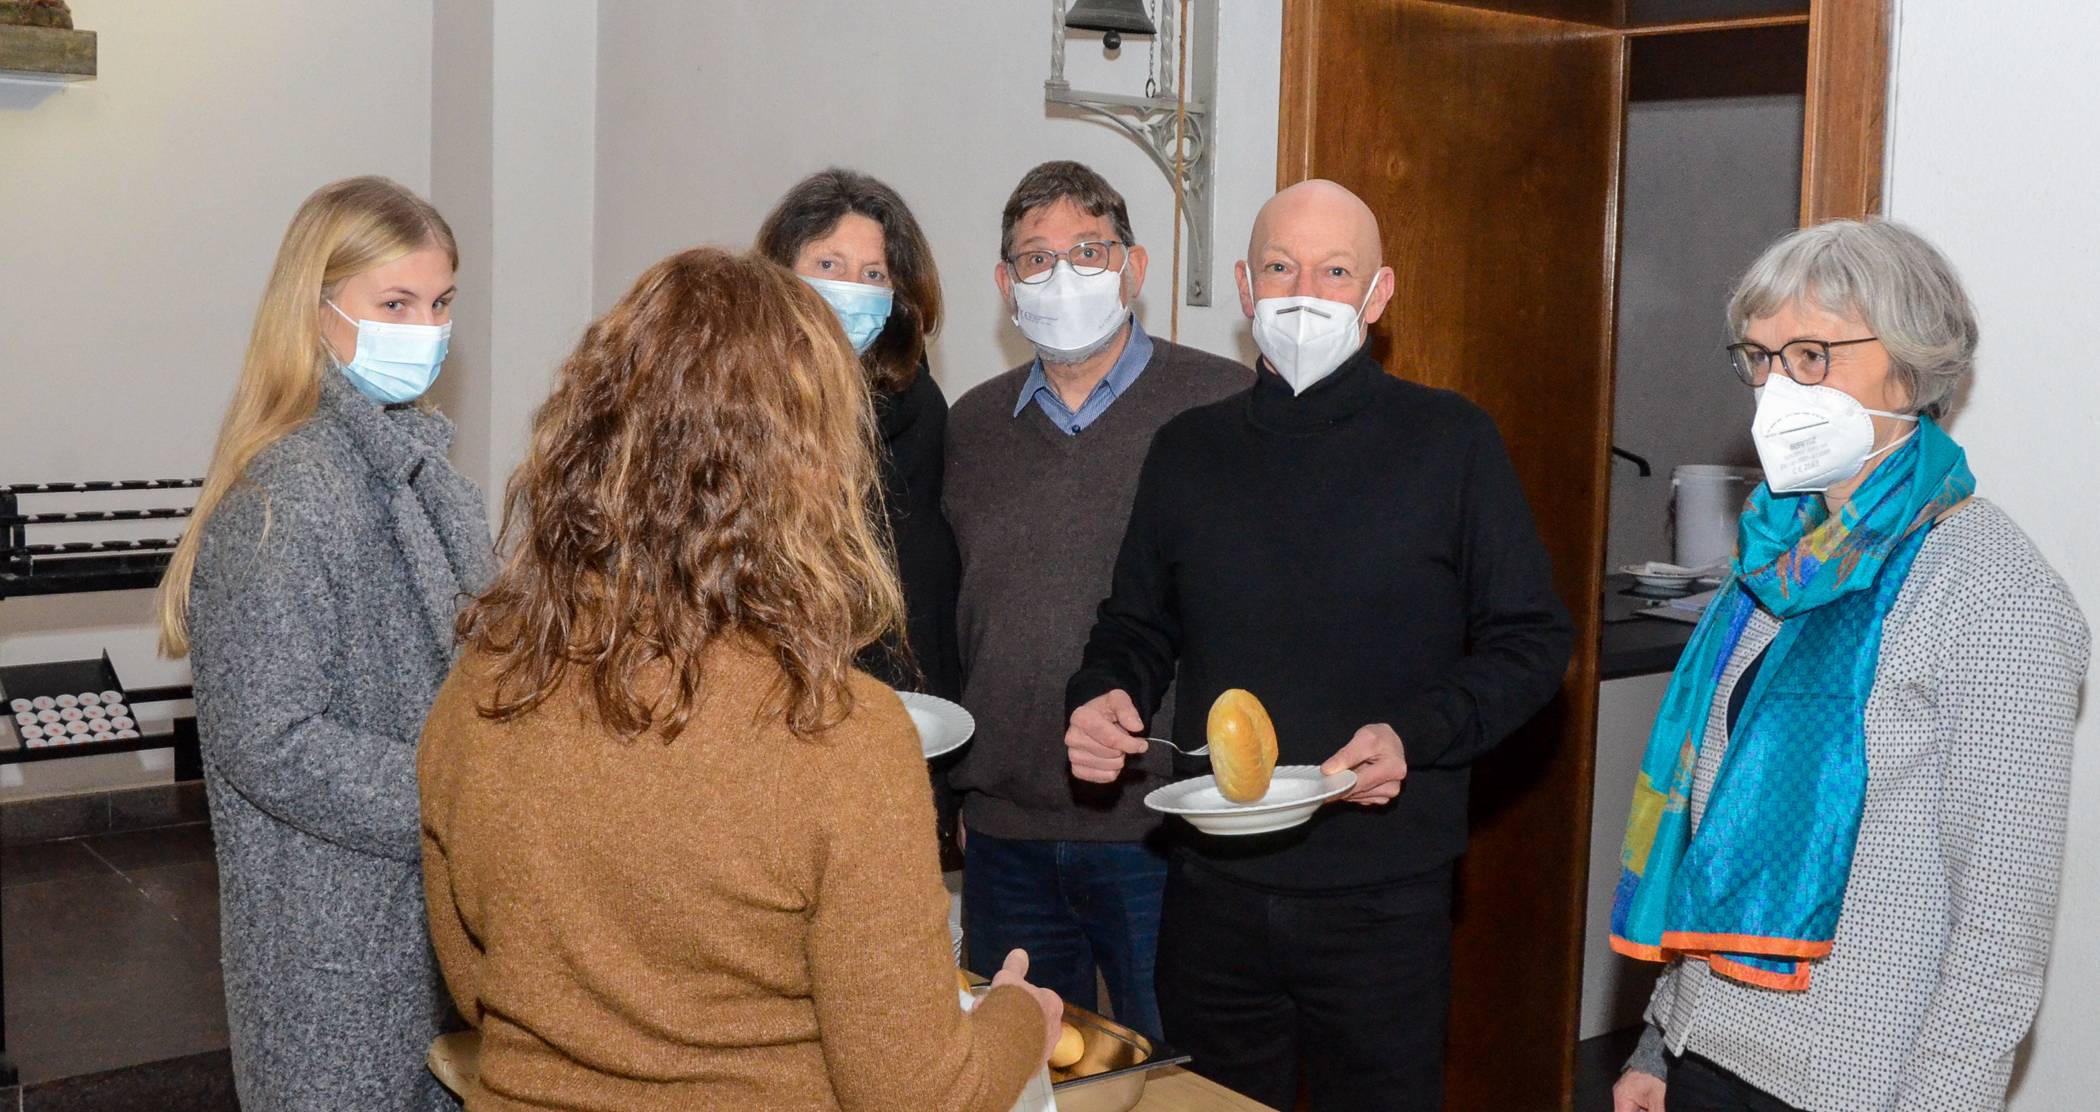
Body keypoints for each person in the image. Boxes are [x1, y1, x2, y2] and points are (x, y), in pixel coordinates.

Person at [418, 247, 1060, 1111]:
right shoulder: (842, 736)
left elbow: (475, 981)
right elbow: (919, 1097)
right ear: (811, 472)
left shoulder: (487, 684)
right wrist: (1019, 1019)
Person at [1062, 178, 1574, 1110]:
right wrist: (1100, 693)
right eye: (1281, 267)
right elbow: (1136, 624)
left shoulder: (1452, 441)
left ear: (1378, 298)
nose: (1306, 291)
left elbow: (1532, 641)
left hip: (1384, 894)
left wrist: (1417, 736)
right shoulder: (1188, 449)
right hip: (1212, 882)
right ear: (1245, 289)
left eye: (1336, 271)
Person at [1607, 220, 2089, 1112]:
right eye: (1759, 357)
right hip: (1708, 1054)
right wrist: (1657, 1044)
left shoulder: (1994, 591)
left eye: (1812, 356)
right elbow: (1713, 822)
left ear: (1910, 367)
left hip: (1860, 1085)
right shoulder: (1772, 563)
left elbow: (2000, 932)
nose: (1777, 387)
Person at [157, 176, 492, 1110]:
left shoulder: (430, 472)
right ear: (315, 309)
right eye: (396, 304)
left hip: (433, 923)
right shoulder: (280, 499)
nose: (425, 329)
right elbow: (271, 743)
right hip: (333, 946)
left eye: (441, 303)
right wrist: (464, 793)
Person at [943, 159, 1250, 1039]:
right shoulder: (970, 427)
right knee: (1023, 1072)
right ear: (1006, 285)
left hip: (1164, 829)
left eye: (1089, 250)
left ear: (1135, 268)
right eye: (1036, 259)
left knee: (1183, 1078)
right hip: (1004, 833)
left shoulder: (1220, 406)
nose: (1063, 275)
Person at [756, 167, 966, 868]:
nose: (851, 288)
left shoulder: (922, 410)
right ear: (779, 277)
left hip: (903, 738)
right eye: (828, 265)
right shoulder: (738, 417)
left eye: (873, 273)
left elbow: (930, 584)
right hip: (771, 749)